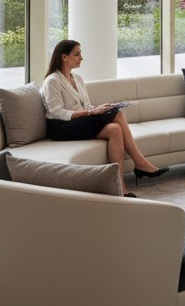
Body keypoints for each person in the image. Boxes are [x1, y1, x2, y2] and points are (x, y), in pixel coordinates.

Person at [40, 39, 168, 195]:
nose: (81, 58)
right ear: (64, 57)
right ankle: (140, 163)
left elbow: (87, 105)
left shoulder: (78, 79)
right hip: (60, 127)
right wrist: (89, 113)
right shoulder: (52, 81)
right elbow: (57, 112)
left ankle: (119, 186)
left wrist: (98, 109)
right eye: (77, 54)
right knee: (118, 114)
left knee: (114, 129)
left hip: (79, 122)